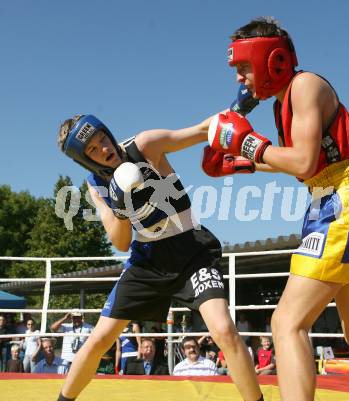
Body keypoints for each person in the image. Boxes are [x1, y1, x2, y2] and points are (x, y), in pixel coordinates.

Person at [206, 16, 349, 401]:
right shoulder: (286, 102)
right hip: (339, 200)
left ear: (272, 59)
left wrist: (246, 146)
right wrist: (237, 163)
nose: (239, 78)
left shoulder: (304, 85)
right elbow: (304, 166)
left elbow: (301, 161)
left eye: (244, 67)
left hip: (342, 201)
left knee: (286, 322)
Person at [55, 113, 263, 401]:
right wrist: (120, 205)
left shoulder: (144, 145)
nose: (104, 148)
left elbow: (202, 130)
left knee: (224, 330)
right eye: (92, 149)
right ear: (86, 159)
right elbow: (121, 241)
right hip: (147, 261)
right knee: (99, 339)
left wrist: (239, 114)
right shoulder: (96, 184)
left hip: (191, 251)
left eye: (102, 138)